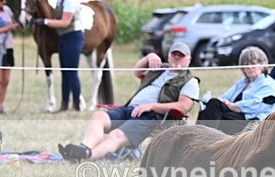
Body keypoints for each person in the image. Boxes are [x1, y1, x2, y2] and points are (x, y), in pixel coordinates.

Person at [58, 42, 198, 162]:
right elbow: (137, 71)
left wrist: (151, 106)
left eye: (182, 55)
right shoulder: (159, 69)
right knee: (98, 116)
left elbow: (183, 107)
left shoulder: (190, 81)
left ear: (189, 59)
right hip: (131, 109)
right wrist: (148, 57)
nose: (177, 58)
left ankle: (84, 157)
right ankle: (83, 148)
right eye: (175, 54)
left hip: (153, 117)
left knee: (116, 136)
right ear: (169, 56)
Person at [196, 46, 275, 135]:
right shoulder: (242, 83)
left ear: (262, 66)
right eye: (246, 64)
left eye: (253, 63)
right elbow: (225, 97)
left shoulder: (269, 83)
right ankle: (200, 136)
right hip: (234, 118)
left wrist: (234, 106)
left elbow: (257, 105)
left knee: (214, 105)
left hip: (251, 122)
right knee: (211, 106)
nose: (249, 67)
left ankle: (201, 137)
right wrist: (224, 102)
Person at [32, 0, 84, 111]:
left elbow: (65, 22)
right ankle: (64, 103)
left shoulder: (70, 0)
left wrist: (45, 22)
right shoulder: (61, 0)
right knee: (64, 72)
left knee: (71, 72)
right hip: (64, 38)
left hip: (73, 37)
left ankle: (77, 104)